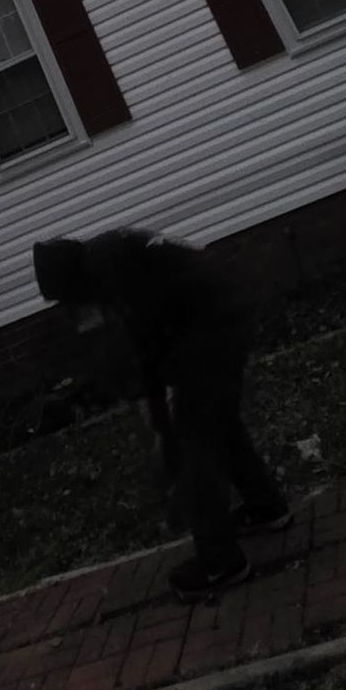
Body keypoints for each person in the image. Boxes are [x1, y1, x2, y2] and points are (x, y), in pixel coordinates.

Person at [32, 228, 289, 599]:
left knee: (193, 443)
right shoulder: (107, 256)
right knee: (219, 421)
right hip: (221, 313)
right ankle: (267, 507)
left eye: (65, 298)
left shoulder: (112, 274)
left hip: (209, 329)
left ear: (71, 283)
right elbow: (148, 343)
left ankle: (220, 564)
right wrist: (154, 402)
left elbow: (147, 344)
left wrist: (159, 413)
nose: (70, 308)